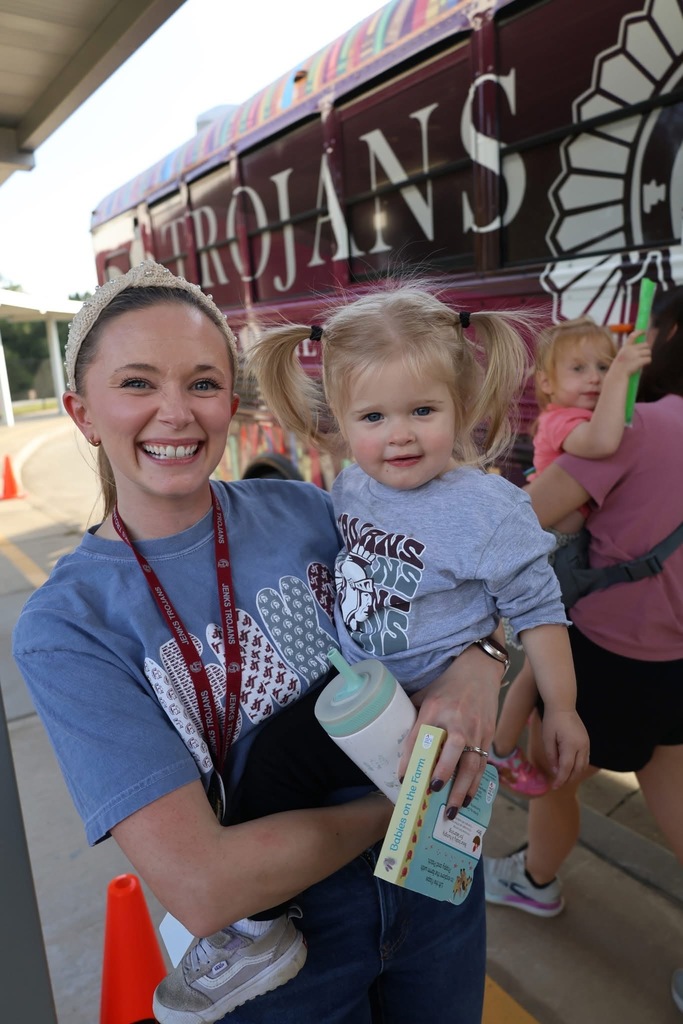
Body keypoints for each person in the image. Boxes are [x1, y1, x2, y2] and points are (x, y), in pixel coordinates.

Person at [12, 261, 514, 1024]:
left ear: (233, 403)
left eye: (204, 383)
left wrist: (483, 660)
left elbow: (478, 570)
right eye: (138, 383)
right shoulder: (67, 627)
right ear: (82, 412)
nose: (176, 413)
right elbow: (204, 883)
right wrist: (408, 799)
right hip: (280, 955)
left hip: (433, 883)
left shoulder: (313, 508)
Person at [484, 284, 683, 919]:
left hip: (608, 652)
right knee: (673, 789)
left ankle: (534, 881)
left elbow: (528, 520)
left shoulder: (635, 428)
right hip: (675, 655)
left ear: (666, 340)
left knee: (553, 773)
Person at [489, 317, 651, 798]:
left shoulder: (578, 417)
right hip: (550, 555)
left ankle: (502, 746)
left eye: (603, 365)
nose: (597, 377)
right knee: (539, 664)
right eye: (579, 368)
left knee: (541, 666)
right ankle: (500, 748)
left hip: (564, 551)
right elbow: (603, 443)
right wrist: (624, 374)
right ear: (546, 383)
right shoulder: (565, 421)